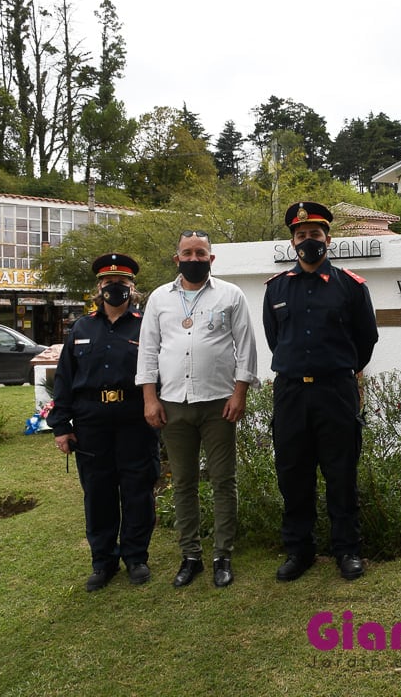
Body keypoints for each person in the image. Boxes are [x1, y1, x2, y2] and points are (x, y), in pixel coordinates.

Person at [136, 230, 259, 588]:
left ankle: (223, 555)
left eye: (200, 253)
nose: (194, 259)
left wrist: (240, 394)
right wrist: (149, 397)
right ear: (177, 259)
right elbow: (147, 351)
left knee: (223, 480)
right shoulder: (160, 298)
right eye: (187, 253)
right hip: (173, 405)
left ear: (211, 258)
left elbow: (246, 347)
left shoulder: (230, 295)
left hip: (219, 403)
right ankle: (191, 556)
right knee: (184, 482)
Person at [263, 202, 379, 582]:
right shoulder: (277, 288)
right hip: (291, 393)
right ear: (292, 242)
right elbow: (274, 338)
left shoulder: (351, 286)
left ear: (328, 239)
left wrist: (337, 368)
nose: (308, 241)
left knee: (340, 472)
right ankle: (300, 550)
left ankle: (347, 550)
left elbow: (366, 340)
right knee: (293, 473)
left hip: (336, 392)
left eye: (315, 234)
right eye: (301, 235)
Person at [48, 253, 159, 592]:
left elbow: (159, 371)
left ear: (133, 288)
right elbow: (65, 379)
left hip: (134, 420)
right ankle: (103, 561)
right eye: (109, 284)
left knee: (138, 490)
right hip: (91, 422)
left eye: (122, 284)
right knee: (98, 494)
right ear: (99, 288)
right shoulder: (82, 328)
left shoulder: (146, 326)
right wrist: (61, 426)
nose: (115, 289)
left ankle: (136, 557)